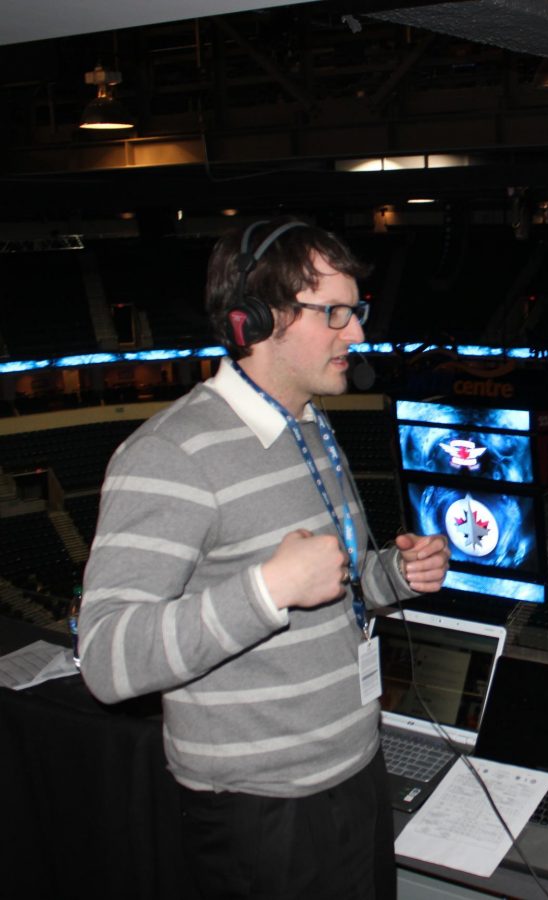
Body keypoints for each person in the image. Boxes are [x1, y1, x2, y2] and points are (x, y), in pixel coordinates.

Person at [78, 217, 450, 900]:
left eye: (357, 311)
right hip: (262, 814)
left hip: (354, 772)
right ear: (259, 318)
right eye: (334, 312)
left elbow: (332, 584)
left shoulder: (312, 425)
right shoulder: (169, 455)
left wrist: (394, 575)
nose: (357, 333)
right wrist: (268, 589)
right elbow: (106, 658)